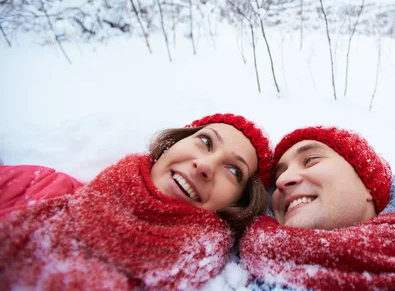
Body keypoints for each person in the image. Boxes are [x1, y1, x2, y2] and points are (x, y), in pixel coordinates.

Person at [0, 113, 274, 290]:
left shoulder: (219, 283)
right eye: (205, 141)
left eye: (234, 170)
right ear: (173, 143)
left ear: (239, 204)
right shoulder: (37, 185)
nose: (204, 165)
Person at [240, 126, 395, 291]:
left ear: (368, 185)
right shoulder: (228, 273)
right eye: (276, 178)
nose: (282, 180)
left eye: (310, 160)